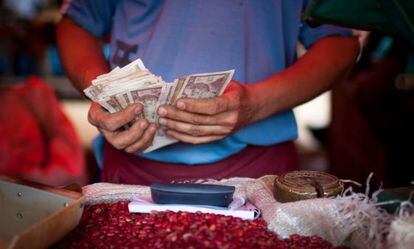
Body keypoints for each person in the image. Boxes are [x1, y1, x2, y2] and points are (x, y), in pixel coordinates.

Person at [56, 0, 359, 185]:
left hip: (259, 171)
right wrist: (102, 89)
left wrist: (258, 104)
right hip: (130, 163)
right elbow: (77, 22)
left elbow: (340, 42)